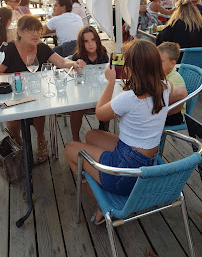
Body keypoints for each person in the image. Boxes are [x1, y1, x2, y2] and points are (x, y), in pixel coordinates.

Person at [65, 39, 172, 223]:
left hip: (126, 174)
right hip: (146, 161)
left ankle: (104, 203)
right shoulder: (165, 87)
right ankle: (103, 184)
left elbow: (100, 114)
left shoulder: (130, 98)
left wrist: (110, 82)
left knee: (70, 149)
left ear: (131, 68)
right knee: (91, 135)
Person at [0, 15, 85, 162]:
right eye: (30, 30)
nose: (35, 34)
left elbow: (61, 61)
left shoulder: (42, 48)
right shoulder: (8, 50)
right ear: (19, 32)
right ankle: (19, 141)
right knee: (13, 125)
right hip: (14, 96)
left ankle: (41, 138)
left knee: (39, 115)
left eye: (37, 30)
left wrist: (74, 64)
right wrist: (21, 74)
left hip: (36, 93)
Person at [69, 26, 109, 141]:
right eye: (86, 41)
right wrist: (76, 65)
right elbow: (73, 79)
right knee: (76, 108)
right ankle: (75, 138)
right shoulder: (77, 57)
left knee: (107, 102)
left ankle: (104, 131)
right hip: (83, 94)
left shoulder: (103, 56)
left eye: (93, 40)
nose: (90, 44)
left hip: (100, 93)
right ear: (82, 44)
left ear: (98, 40)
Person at [157, 42, 187, 126]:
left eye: (160, 61)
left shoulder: (174, 78)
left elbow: (165, 101)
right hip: (165, 110)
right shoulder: (161, 73)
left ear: (172, 64)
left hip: (174, 114)